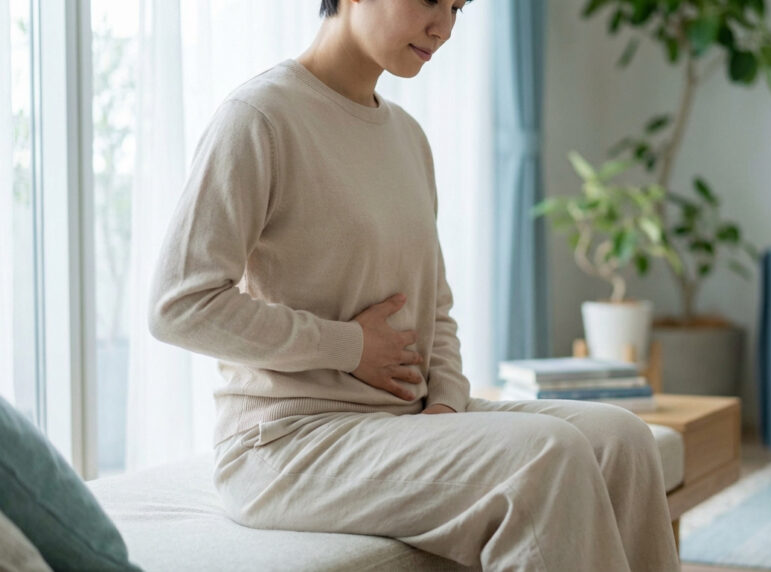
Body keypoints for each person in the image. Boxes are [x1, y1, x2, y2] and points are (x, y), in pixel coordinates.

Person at [147, 0, 681, 570]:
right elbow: (180, 304)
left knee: (622, 439)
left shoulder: (407, 136)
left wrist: (447, 402)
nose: (444, 27)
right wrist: (348, 346)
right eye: (430, 1)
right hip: (288, 442)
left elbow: (435, 306)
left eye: (456, 7)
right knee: (547, 455)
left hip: (401, 420)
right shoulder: (259, 117)